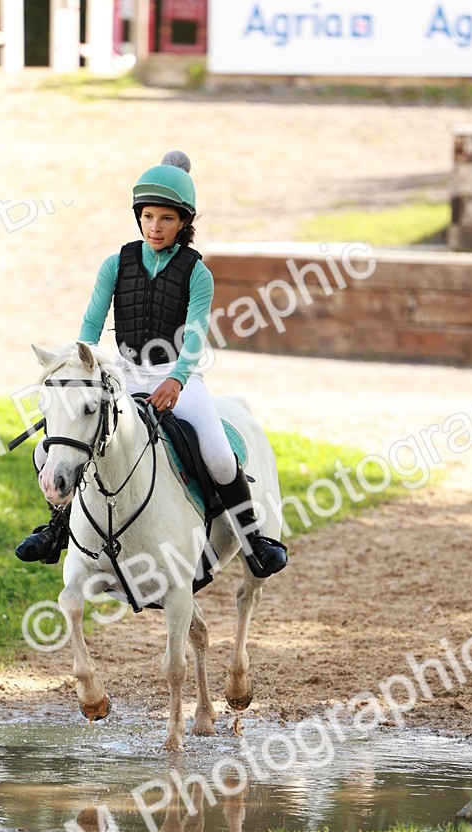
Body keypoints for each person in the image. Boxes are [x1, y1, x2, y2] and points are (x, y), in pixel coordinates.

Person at [15, 150, 287, 579]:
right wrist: (83, 365)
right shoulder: (115, 264)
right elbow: (92, 321)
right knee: (54, 445)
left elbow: (195, 334)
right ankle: (58, 526)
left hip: (177, 374)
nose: (155, 227)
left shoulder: (198, 274)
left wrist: (177, 381)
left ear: (183, 223)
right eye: (147, 217)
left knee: (217, 455)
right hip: (122, 372)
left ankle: (252, 539)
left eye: (165, 219)